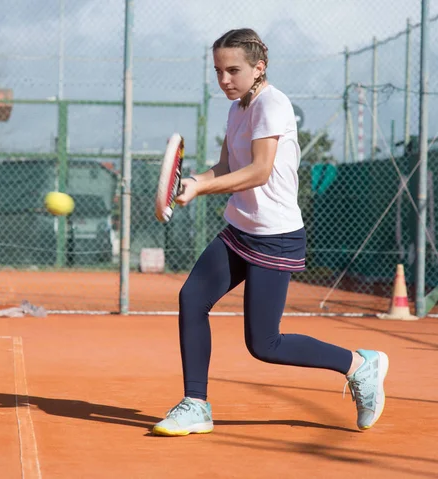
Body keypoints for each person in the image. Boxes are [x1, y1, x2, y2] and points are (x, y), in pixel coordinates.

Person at [152, 28, 389, 437]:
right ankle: (196, 404)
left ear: (258, 68)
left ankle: (359, 365)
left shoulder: (272, 105)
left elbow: (260, 170)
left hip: (275, 236)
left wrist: (203, 189)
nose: (224, 79)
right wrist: (193, 180)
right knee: (191, 297)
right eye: (218, 71)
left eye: (233, 70)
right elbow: (227, 166)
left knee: (265, 344)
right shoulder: (237, 107)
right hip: (240, 229)